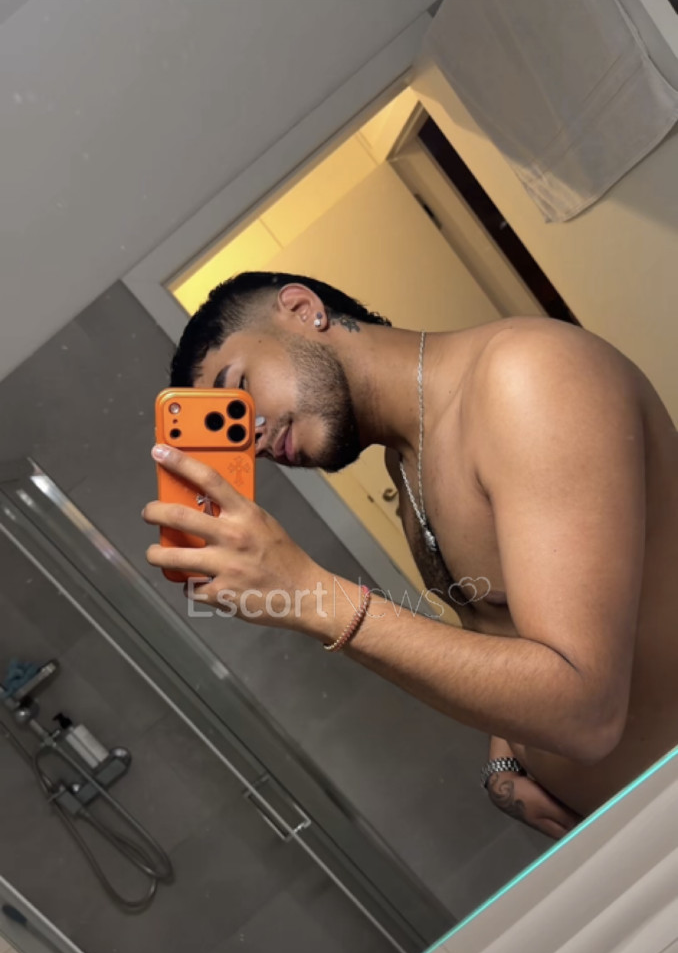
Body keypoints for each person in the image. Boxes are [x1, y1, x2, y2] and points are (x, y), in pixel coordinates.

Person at [142, 271, 678, 841]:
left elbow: (589, 711)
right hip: (635, 829)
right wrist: (508, 753)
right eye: (230, 432)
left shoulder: (527, 375)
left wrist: (311, 596)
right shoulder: (406, 466)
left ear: (302, 309)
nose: (251, 438)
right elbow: (513, 637)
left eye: (240, 390)